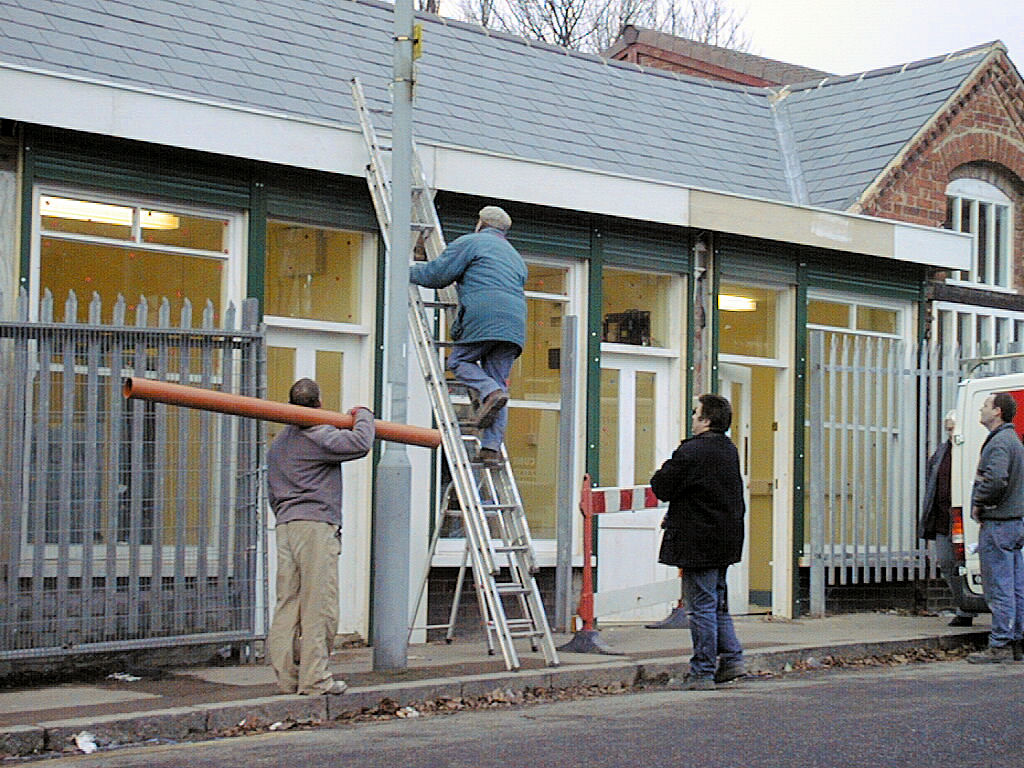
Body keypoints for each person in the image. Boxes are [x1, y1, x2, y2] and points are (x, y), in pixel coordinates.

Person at [266, 378, 375, 694]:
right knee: (319, 604)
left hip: (286, 526)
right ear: (318, 404)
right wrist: (363, 413)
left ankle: (287, 679)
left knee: (288, 604)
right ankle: (315, 679)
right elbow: (361, 442)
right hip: (314, 527)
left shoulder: (279, 444)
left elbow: (274, 493)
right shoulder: (317, 433)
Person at [409, 205, 527, 466]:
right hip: (514, 326)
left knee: (459, 363)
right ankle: (491, 448)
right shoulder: (516, 257)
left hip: (483, 316)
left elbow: (437, 275)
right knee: (499, 381)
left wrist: (405, 272)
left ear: (480, 223)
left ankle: (490, 391)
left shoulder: (471, 243)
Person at [651, 393, 746, 689]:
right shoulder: (728, 450)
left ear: (706, 420)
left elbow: (662, 486)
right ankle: (731, 658)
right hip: (725, 538)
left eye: (696, 413)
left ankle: (702, 671)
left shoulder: (692, 451)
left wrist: (662, 471)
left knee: (701, 606)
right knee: (716, 603)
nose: (692, 417)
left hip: (698, 540)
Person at [967, 392, 1024, 664]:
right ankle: (1015, 642)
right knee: (1015, 587)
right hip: (1014, 523)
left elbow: (996, 480)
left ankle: (1000, 644)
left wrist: (979, 502)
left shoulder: (999, 443)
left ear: (998, 411)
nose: (982, 408)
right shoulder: (1013, 441)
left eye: (986, 405)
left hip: (998, 523)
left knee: (999, 586)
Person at [918, 411, 977, 627]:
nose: (950, 432)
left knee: (967, 563)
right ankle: (964, 605)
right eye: (948, 428)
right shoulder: (943, 451)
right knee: (946, 562)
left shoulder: (969, 450)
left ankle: (968, 608)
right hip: (944, 517)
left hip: (962, 517)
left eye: (952, 427)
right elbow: (931, 480)